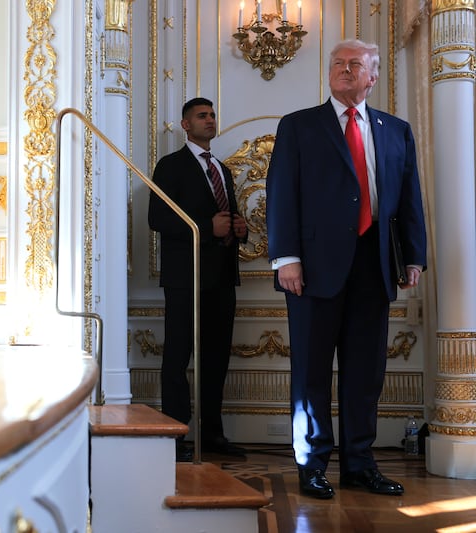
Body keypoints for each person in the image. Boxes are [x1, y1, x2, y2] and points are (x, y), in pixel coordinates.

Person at [266, 39, 427, 498]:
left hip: (374, 266)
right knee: (312, 372)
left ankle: (359, 463)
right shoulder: (299, 126)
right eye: (337, 63)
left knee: (365, 372)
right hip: (312, 268)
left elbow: (408, 198)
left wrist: (412, 255)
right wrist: (287, 258)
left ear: (372, 76)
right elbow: (282, 194)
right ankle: (312, 464)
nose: (343, 69)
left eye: (354, 64)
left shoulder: (396, 130)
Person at [148, 97, 249, 461]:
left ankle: (213, 434)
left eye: (212, 115)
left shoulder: (221, 168)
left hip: (222, 278)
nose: (210, 120)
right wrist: (207, 227)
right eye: (202, 116)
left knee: (216, 359)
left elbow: (229, 217)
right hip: (184, 279)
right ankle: (176, 437)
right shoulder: (170, 166)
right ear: (185, 125)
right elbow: (157, 219)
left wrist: (239, 227)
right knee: (178, 358)